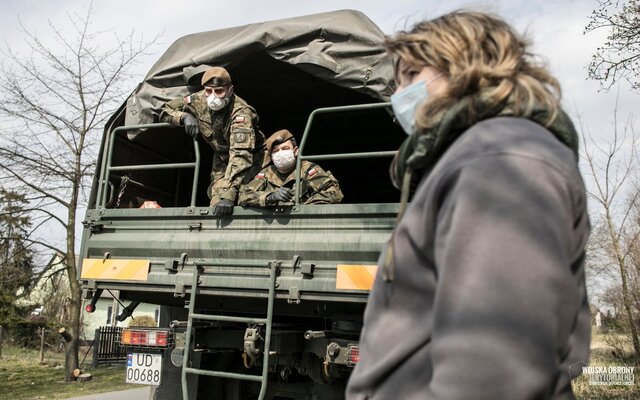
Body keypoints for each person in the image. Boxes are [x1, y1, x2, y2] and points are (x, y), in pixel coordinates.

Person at [346, 10, 590, 400]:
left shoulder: (500, 161)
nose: (398, 94)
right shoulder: (477, 156)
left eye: (411, 75)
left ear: (465, 67)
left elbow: (494, 365)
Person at [160, 66, 266, 216]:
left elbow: (241, 155)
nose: (213, 96)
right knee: (216, 203)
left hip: (252, 159)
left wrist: (228, 195)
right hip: (222, 159)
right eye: (209, 91)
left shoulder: (241, 113)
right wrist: (183, 117)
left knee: (246, 198)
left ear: (230, 90)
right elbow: (165, 109)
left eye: (219, 91)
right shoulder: (198, 99)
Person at [238, 129, 343, 206]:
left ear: (296, 151)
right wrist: (270, 197)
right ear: (271, 156)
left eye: (285, 148)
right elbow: (243, 196)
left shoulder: (308, 169)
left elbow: (333, 193)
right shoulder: (266, 173)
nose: (281, 153)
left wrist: (301, 208)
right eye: (276, 151)